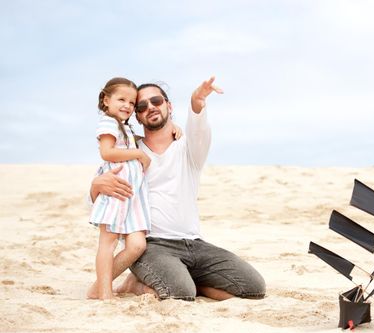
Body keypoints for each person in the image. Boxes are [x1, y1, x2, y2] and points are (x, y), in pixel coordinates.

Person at [90, 76, 266, 301]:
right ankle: (137, 284)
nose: (150, 107)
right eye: (142, 106)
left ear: (169, 106)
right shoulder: (131, 151)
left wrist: (197, 101)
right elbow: (103, 197)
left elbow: (199, 129)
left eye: (156, 101)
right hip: (152, 245)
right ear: (137, 115)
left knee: (253, 286)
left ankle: (189, 282)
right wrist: (96, 186)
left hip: (194, 243)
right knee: (180, 294)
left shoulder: (189, 149)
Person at [87, 77, 183, 300]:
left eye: (131, 103)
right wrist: (139, 154)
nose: (127, 106)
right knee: (107, 244)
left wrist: (172, 127)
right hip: (116, 193)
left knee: (137, 245)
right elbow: (107, 152)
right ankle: (104, 292)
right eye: (122, 100)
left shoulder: (125, 127)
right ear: (105, 100)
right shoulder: (108, 123)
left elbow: (134, 139)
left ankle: (104, 285)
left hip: (132, 199)